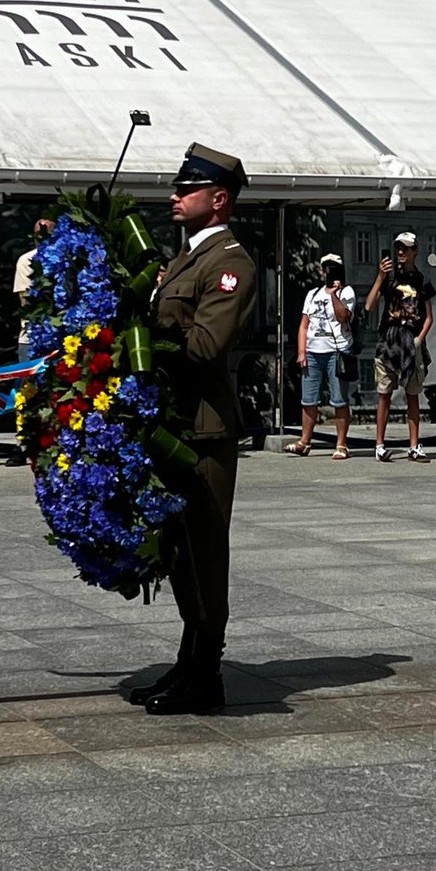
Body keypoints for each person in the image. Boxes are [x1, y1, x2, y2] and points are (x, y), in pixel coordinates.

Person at [130, 142, 256, 716]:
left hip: (202, 429)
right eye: (178, 189)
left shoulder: (230, 262)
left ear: (219, 198)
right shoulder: (185, 259)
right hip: (172, 424)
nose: (175, 197)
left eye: (187, 190)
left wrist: (141, 342)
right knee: (179, 549)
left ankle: (206, 675)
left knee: (203, 549)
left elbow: (204, 346)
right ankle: (189, 663)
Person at [365, 231, 435, 462]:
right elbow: (369, 305)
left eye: (406, 248)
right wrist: (379, 277)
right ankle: (379, 444)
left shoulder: (422, 279)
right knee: (384, 393)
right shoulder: (389, 276)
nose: (401, 252)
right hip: (389, 339)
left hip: (411, 340)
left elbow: (428, 317)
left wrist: (419, 339)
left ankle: (414, 445)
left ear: (415, 251)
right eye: (398, 248)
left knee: (412, 393)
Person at [286, 253, 355, 460]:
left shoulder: (347, 291)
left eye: (333, 268)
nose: (329, 271)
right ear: (321, 271)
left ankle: (341, 444)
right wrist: (301, 351)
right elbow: (304, 324)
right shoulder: (313, 294)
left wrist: (334, 294)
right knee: (308, 399)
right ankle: (304, 442)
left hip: (336, 351)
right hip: (313, 351)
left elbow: (344, 317)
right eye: (326, 268)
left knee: (339, 400)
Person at [7, 218, 55, 466]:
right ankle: (22, 443)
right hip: (33, 336)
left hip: (61, 336)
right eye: (41, 233)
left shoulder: (67, 259)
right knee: (25, 390)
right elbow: (27, 304)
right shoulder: (27, 260)